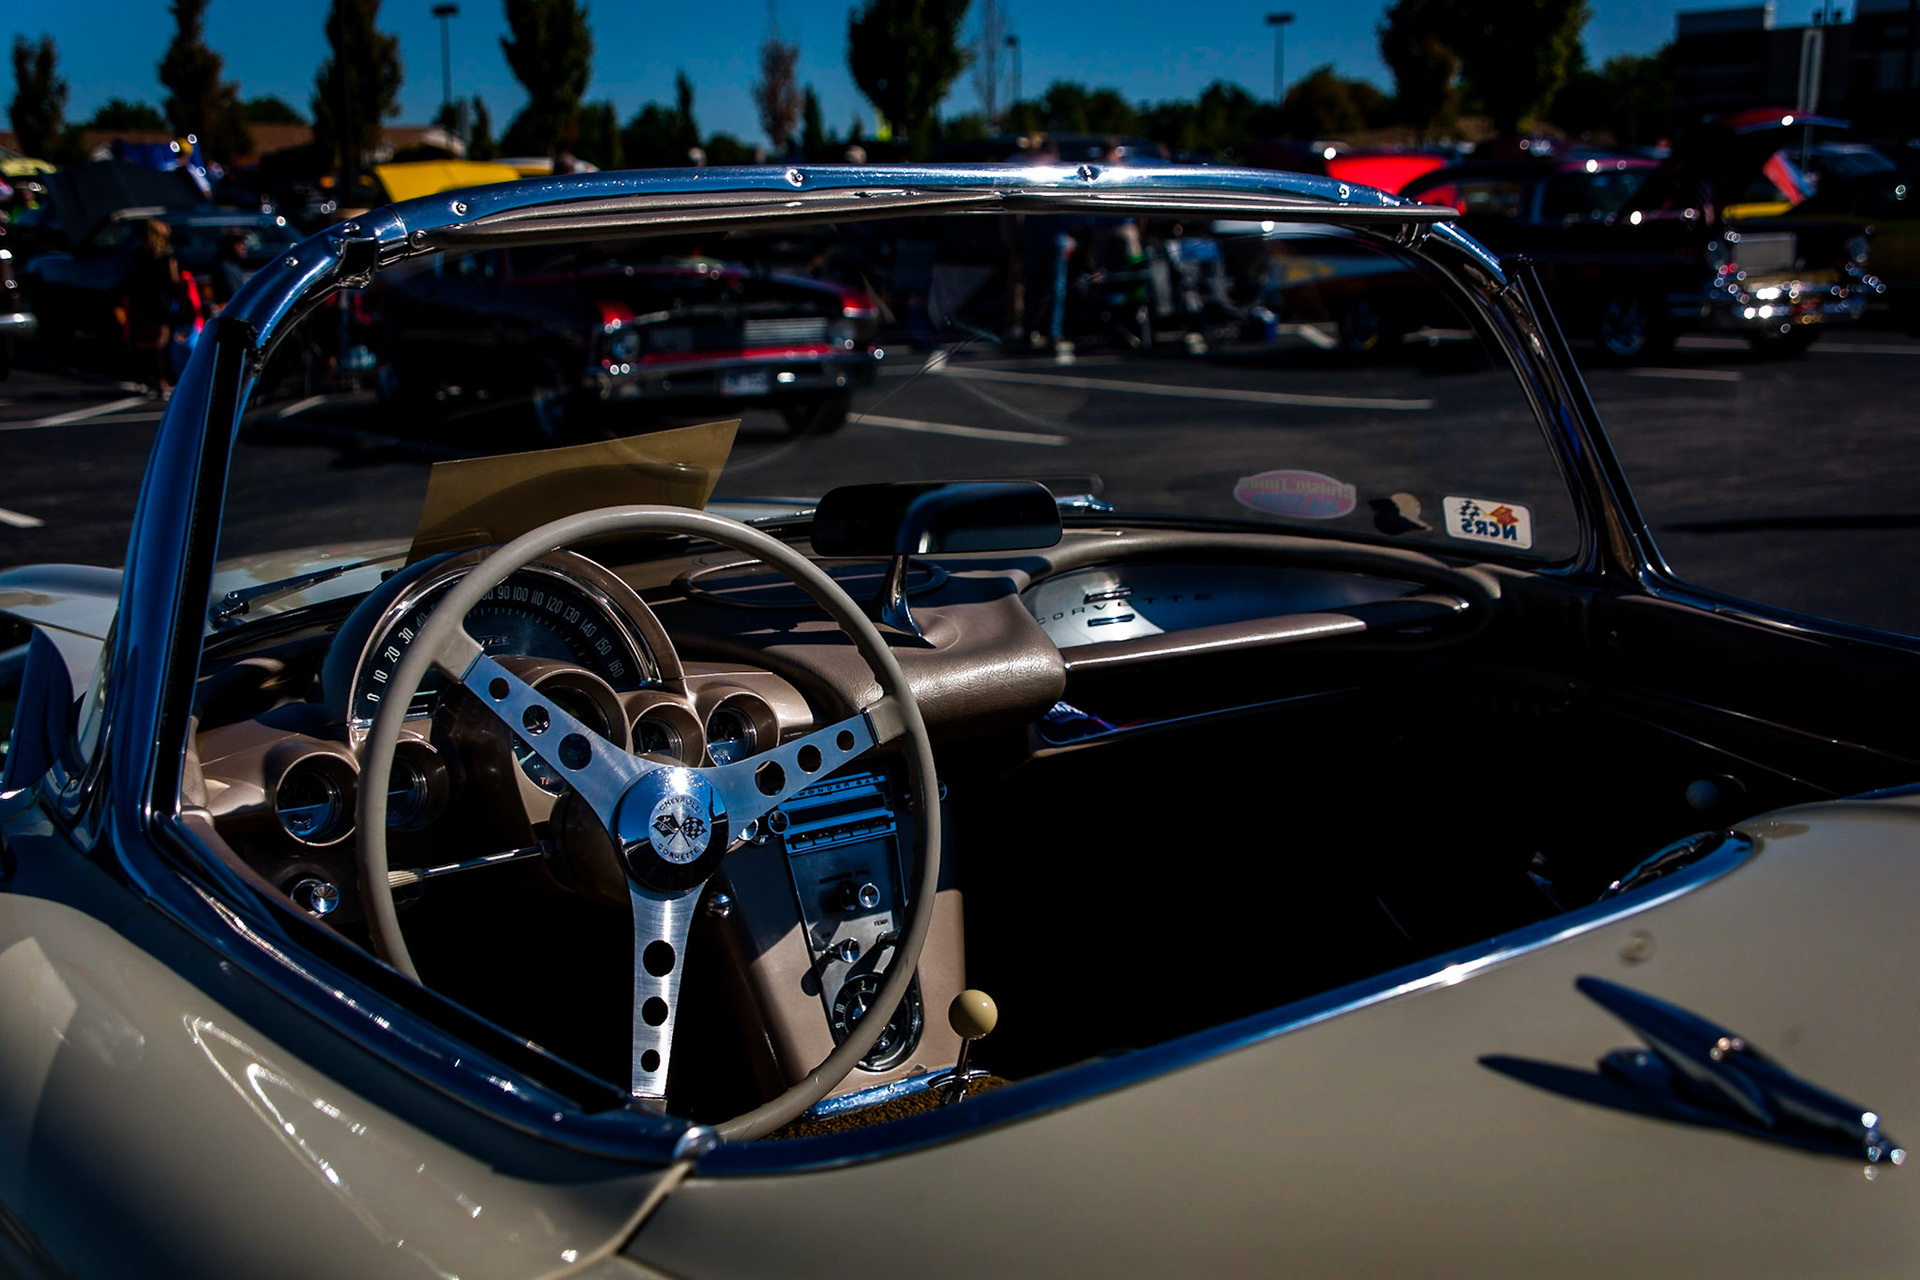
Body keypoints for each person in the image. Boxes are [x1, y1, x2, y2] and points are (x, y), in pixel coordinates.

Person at [124, 219, 182, 397]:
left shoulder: (139, 255)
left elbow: (133, 280)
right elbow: (174, 281)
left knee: (146, 343)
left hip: (143, 302)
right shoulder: (167, 256)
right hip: (161, 302)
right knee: (161, 345)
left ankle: (149, 378)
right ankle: (162, 379)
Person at [212, 230, 249, 308]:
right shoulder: (225, 268)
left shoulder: (234, 266)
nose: (243, 247)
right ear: (228, 246)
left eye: (244, 243)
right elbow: (238, 296)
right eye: (239, 244)